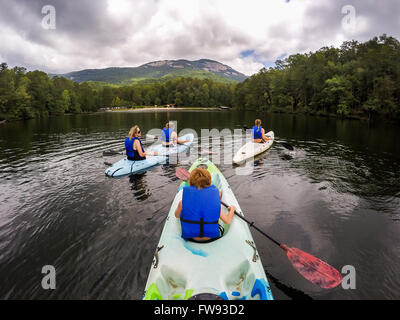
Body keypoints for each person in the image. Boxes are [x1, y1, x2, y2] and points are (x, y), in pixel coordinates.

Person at [174, 168, 236, 243]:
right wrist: (232, 209)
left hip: (191, 238)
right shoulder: (215, 203)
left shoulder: (182, 203)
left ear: (190, 184)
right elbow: (227, 221)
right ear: (210, 183)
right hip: (211, 238)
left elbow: (176, 215)